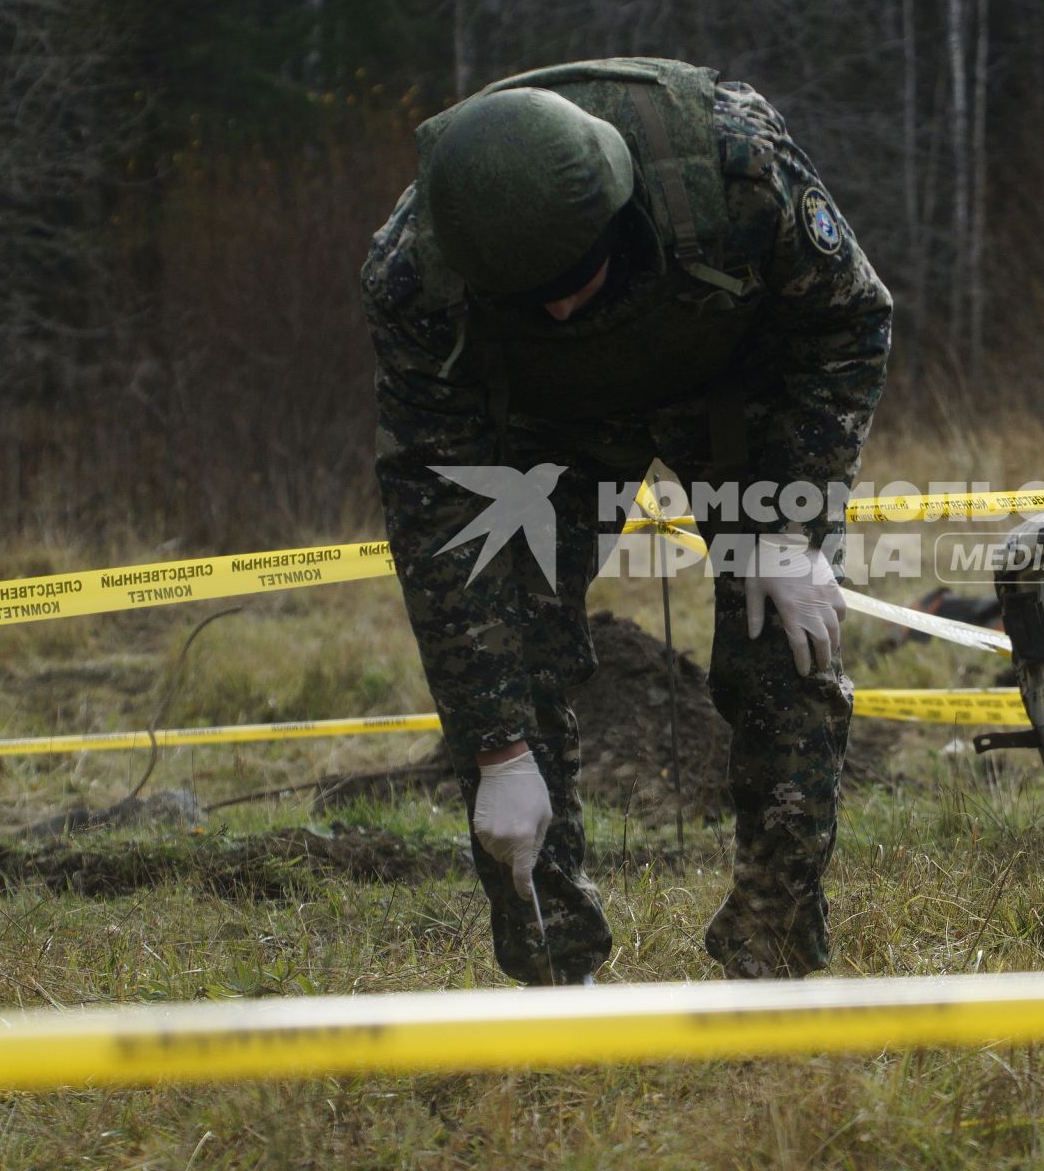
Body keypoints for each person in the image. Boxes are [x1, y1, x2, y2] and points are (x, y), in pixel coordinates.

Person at [359, 57, 891, 984]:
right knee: (512, 669)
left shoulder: (736, 172)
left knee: (790, 644)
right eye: (534, 297)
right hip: (541, 423)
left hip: (730, 390)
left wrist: (791, 525)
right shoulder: (418, 280)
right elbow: (437, 519)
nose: (562, 305)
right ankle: (555, 971)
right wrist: (497, 747)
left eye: (578, 275)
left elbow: (850, 323)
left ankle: (774, 946)